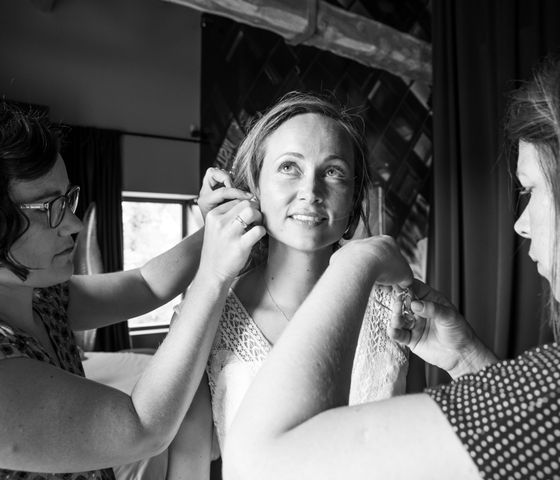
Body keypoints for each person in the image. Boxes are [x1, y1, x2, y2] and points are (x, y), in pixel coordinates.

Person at [224, 36, 560, 479]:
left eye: (531, 190)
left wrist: (361, 260)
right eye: (288, 167)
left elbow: (266, 460)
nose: (520, 224)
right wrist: (465, 359)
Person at [0, 103, 265, 479]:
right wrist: (213, 275)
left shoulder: (43, 297)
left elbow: (146, 284)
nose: (73, 223)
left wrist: (212, 224)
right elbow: (142, 428)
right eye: (47, 208)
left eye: (67, 200)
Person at [175, 92, 412, 470]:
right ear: (254, 185)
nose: (311, 192)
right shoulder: (209, 315)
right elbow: (188, 468)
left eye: (333, 171)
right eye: (289, 167)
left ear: (353, 199)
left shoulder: (394, 307)